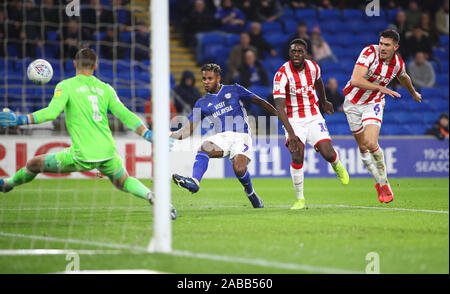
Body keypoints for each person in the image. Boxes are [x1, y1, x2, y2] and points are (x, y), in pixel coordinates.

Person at [0, 48, 177, 220]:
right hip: (107, 151)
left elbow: (51, 113)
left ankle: (8, 184)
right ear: (96, 66)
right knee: (122, 180)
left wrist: (21, 119)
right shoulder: (105, 88)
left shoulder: (66, 86)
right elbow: (125, 114)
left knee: (34, 163)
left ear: (74, 63)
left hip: (82, 154)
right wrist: (147, 135)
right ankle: (150, 196)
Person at [170, 63, 278, 208]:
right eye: (204, 79)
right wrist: (170, 134)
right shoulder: (201, 103)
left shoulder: (235, 89)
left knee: (239, 169)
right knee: (204, 147)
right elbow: (187, 131)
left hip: (242, 135)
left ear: (218, 78)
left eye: (210, 78)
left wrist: (279, 116)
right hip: (222, 137)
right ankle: (194, 182)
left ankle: (251, 193)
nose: (206, 82)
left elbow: (259, 101)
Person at [342, 29, 422, 204]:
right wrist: (380, 87)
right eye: (381, 43)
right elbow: (355, 80)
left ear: (395, 47)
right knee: (363, 147)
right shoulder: (369, 53)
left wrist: (413, 93)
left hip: (374, 104)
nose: (382, 48)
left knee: (371, 143)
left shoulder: (398, 64)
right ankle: (377, 181)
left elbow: (404, 77)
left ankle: (384, 182)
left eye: (387, 45)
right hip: (352, 103)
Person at [273, 39, 350, 210]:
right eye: (293, 51)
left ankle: (336, 164)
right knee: (297, 155)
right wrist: (291, 133)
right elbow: (279, 107)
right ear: (289, 53)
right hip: (293, 119)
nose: (296, 54)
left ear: (305, 53)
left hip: (314, 116)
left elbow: (319, 82)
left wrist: (324, 101)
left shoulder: (314, 67)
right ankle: (300, 199)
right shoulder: (282, 74)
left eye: (300, 51)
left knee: (328, 153)